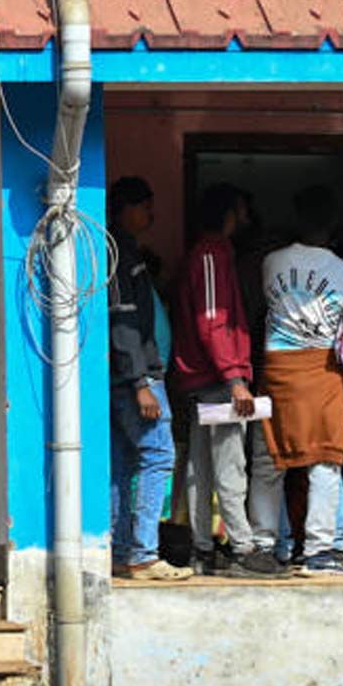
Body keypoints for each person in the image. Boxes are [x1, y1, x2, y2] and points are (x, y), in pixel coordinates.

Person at [248, 185, 343, 576]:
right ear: (333, 225)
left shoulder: (271, 263)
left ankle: (264, 545)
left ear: (296, 221)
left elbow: (260, 309)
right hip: (322, 374)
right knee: (326, 461)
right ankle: (318, 551)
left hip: (277, 371)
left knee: (269, 462)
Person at [172, 183, 283, 577]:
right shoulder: (211, 255)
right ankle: (241, 546)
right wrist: (234, 377)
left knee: (201, 466)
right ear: (228, 215)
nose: (246, 219)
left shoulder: (211, 255)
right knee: (228, 464)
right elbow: (213, 321)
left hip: (204, 377)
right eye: (241, 211)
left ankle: (203, 548)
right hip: (215, 379)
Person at [108, 177, 192, 581]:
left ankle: (123, 551)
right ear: (125, 209)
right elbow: (123, 321)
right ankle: (142, 553)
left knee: (125, 462)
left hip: (125, 377)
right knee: (158, 456)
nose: (151, 215)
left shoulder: (121, 252)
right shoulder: (121, 255)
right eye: (144, 206)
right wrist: (140, 381)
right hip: (135, 379)